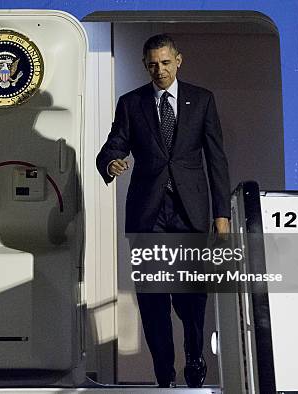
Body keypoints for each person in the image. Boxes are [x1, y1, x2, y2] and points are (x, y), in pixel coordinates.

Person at [96, 34, 231, 388]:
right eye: (153, 64)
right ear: (145, 65)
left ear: (178, 61)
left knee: (191, 297)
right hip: (148, 214)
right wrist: (111, 162)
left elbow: (216, 158)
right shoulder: (131, 103)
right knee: (154, 299)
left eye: (166, 62)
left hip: (190, 212)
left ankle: (195, 356)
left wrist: (222, 214)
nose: (160, 70)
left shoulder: (202, 100)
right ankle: (163, 377)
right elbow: (114, 145)